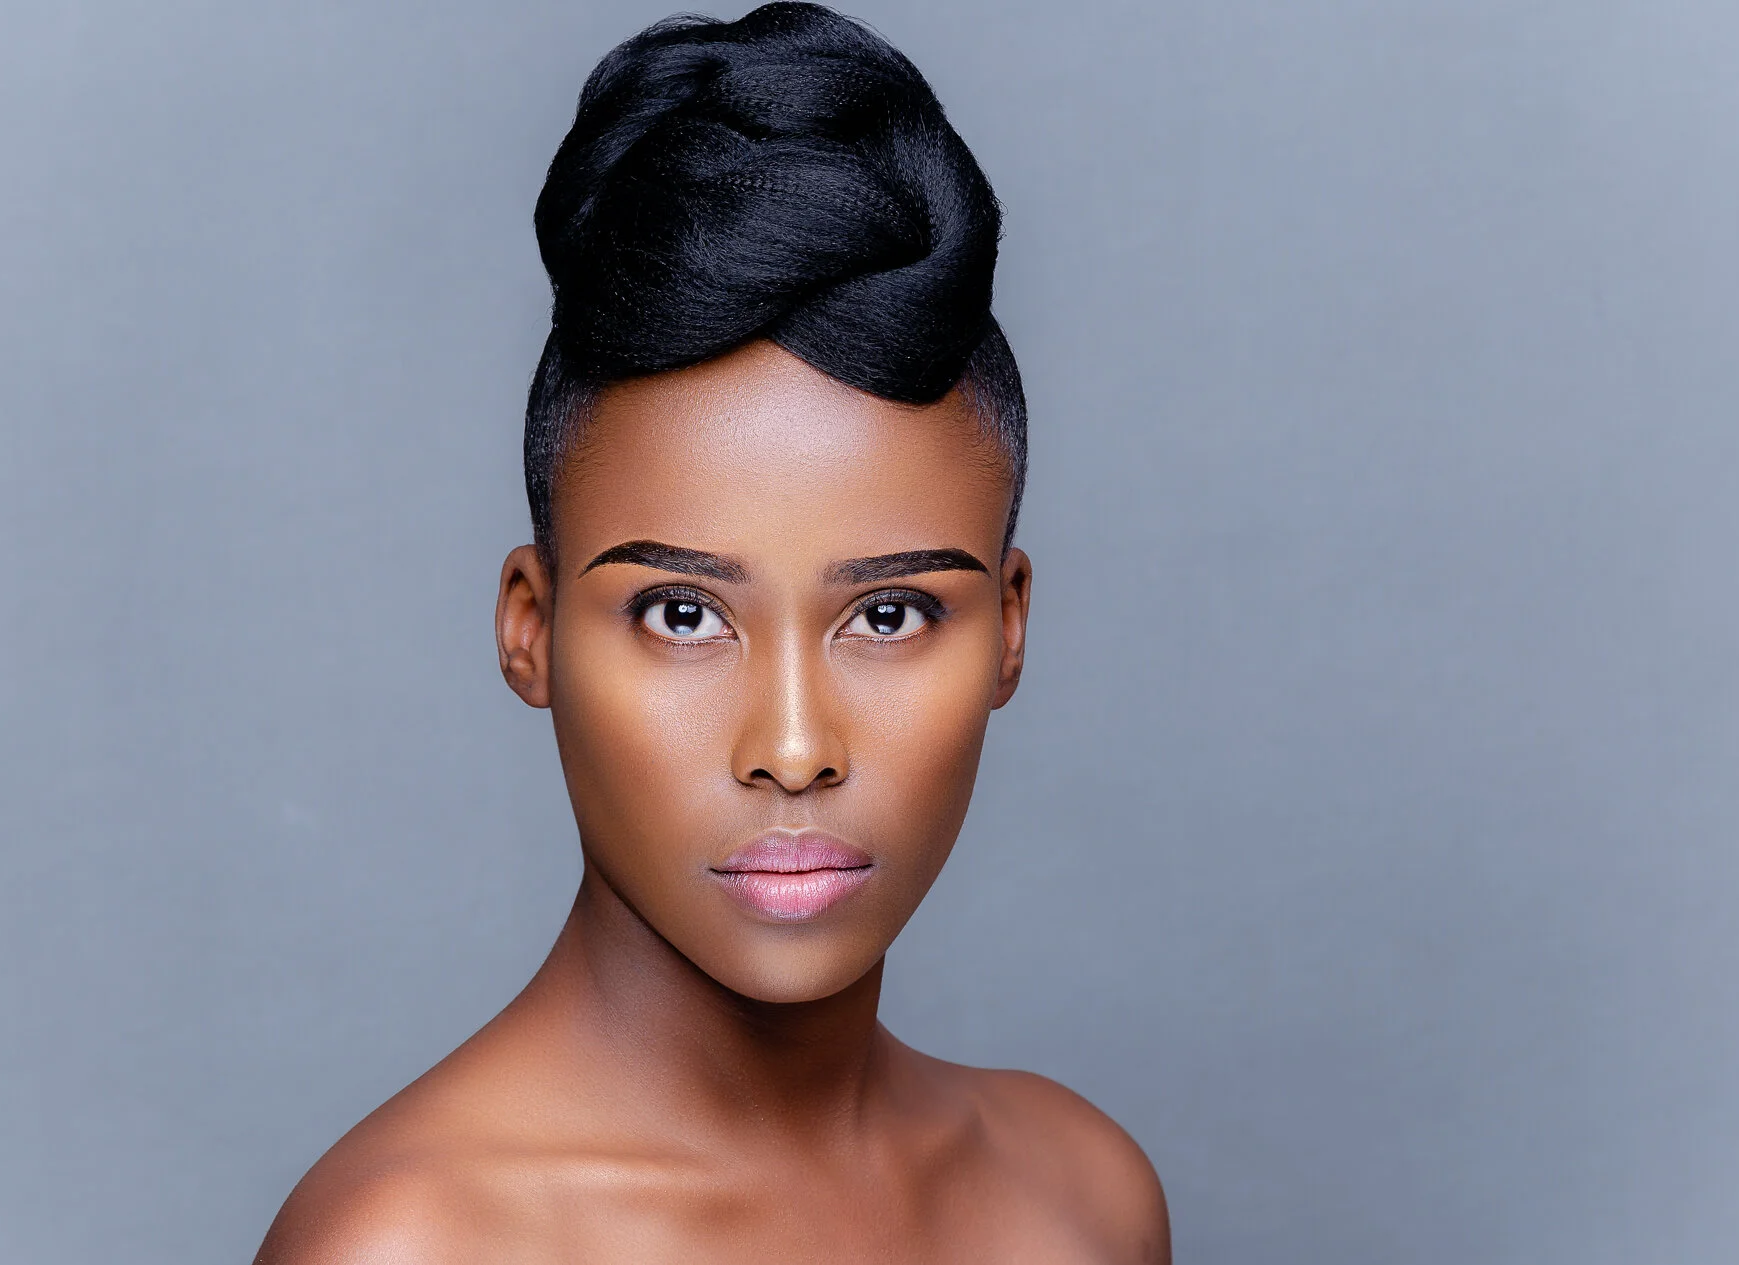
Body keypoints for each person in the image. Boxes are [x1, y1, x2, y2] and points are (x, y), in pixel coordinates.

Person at [256, 4, 1169, 1260]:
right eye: (682, 614)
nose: (793, 747)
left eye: (890, 612)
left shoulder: (1079, 1202)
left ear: (1010, 629)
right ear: (530, 627)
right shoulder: (412, 1241)